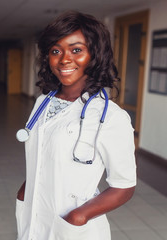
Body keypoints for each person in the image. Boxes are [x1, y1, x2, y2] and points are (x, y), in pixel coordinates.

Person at [15, 11, 136, 240]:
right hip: (33, 217)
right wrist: (25, 193)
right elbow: (41, 155)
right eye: (56, 51)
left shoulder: (110, 116)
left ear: (95, 54)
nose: (64, 59)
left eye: (77, 50)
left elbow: (124, 186)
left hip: (73, 228)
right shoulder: (43, 102)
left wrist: (78, 216)